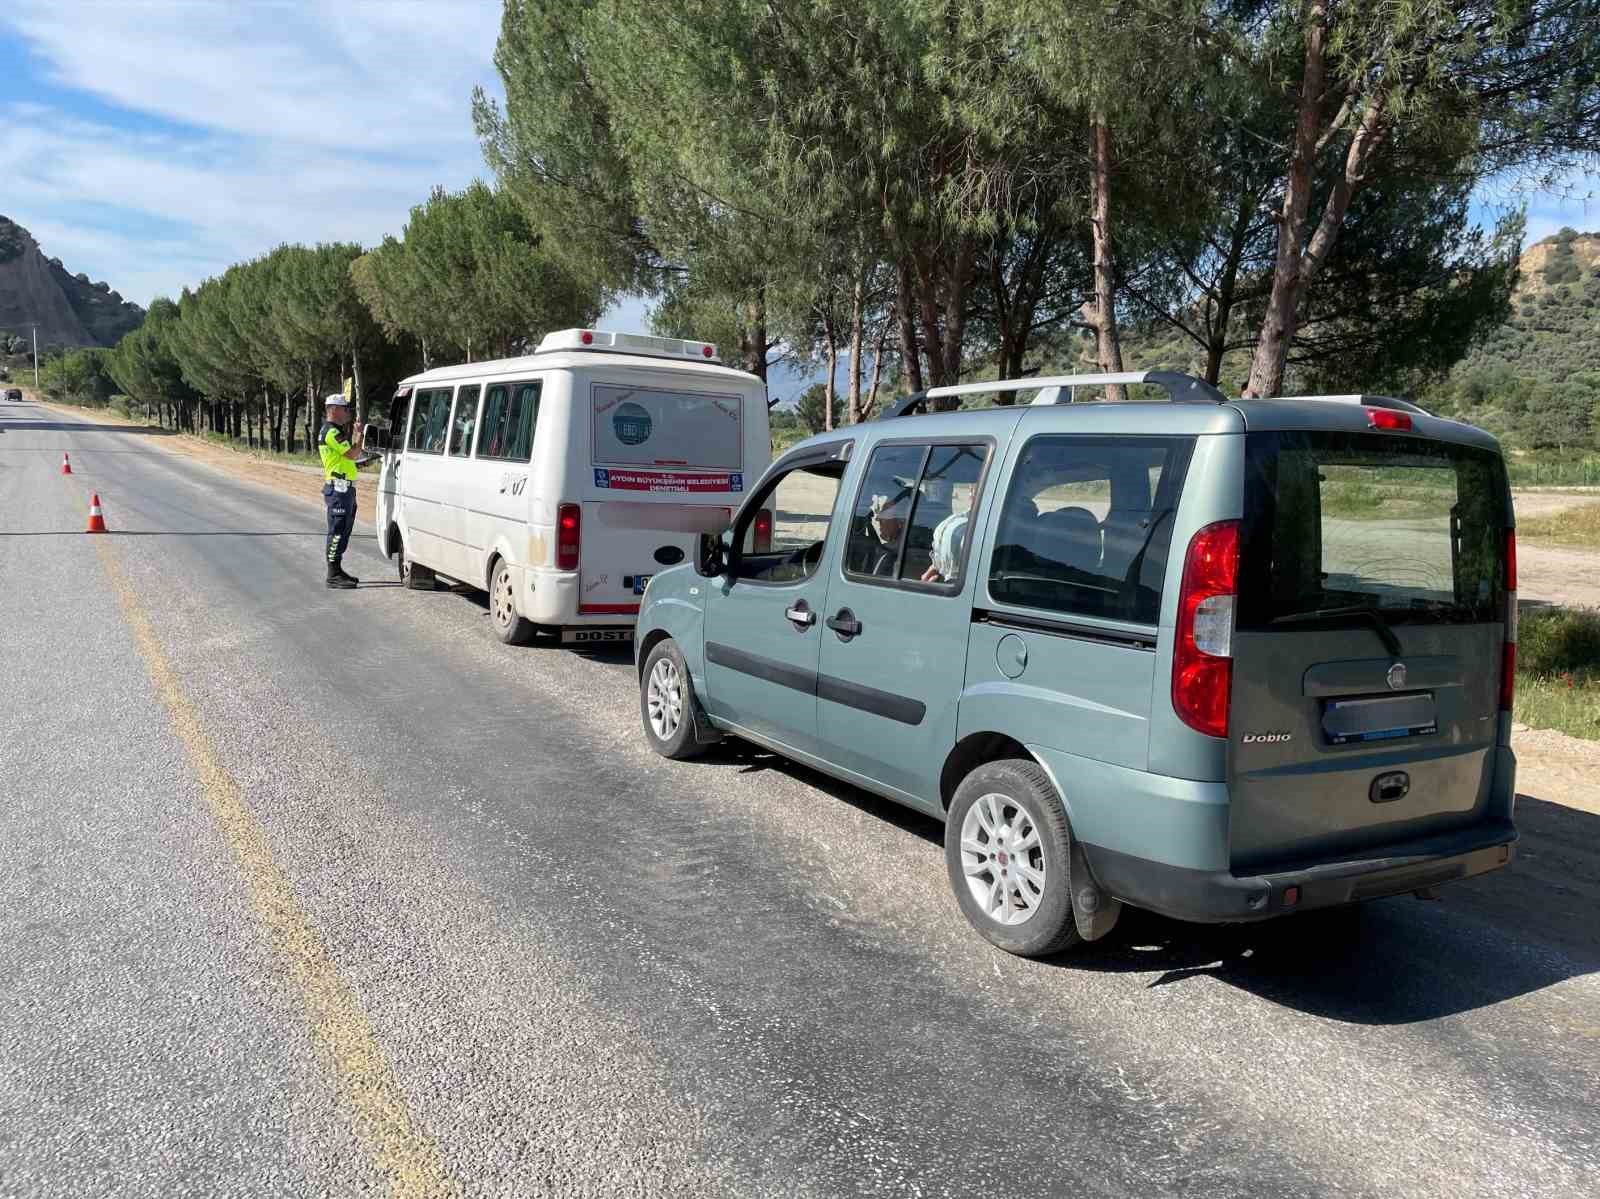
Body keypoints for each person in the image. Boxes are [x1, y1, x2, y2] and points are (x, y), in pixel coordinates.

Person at [319, 394, 363, 589]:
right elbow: (353, 453)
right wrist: (360, 435)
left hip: (344, 489)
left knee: (343, 530)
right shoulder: (331, 432)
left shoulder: (335, 431)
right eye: (345, 409)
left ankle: (337, 569)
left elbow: (348, 457)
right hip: (338, 490)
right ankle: (333, 574)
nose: (347, 413)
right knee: (337, 531)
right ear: (334, 409)